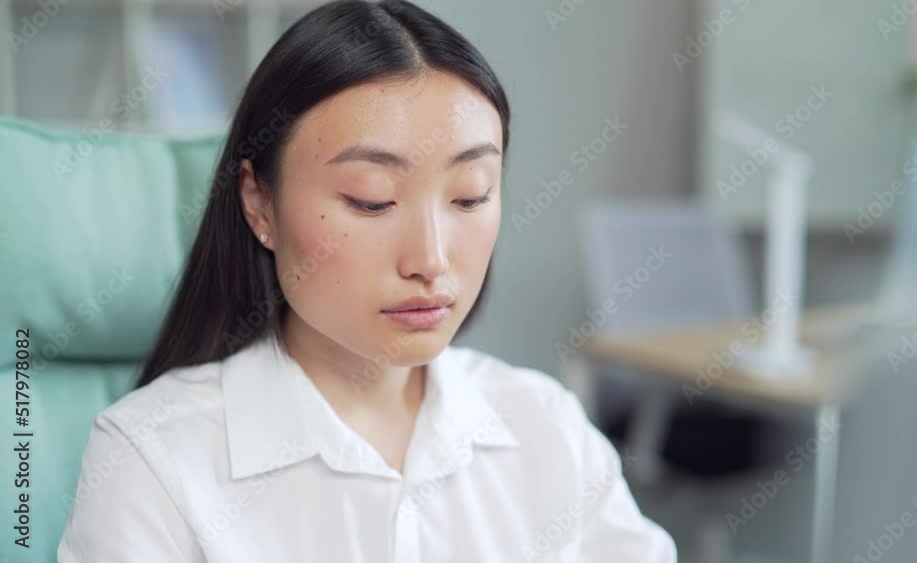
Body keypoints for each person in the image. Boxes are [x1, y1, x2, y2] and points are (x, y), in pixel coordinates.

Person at [57, 1, 676, 561]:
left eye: (469, 196)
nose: (430, 259)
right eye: (372, 200)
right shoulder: (151, 462)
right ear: (258, 203)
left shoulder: (545, 425)